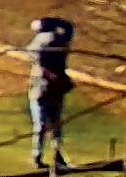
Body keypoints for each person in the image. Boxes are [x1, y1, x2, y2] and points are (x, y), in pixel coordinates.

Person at [27, 17, 75, 170]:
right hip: (53, 89)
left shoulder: (40, 41)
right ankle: (57, 156)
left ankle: (38, 156)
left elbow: (34, 58)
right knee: (55, 125)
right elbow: (69, 27)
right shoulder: (62, 40)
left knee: (41, 126)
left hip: (41, 90)